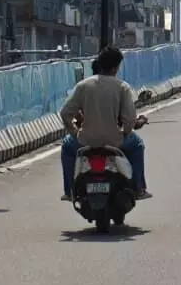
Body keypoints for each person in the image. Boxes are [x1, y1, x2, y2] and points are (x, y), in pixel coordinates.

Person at [59, 46, 151, 202]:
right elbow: (129, 119)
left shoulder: (83, 86)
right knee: (137, 145)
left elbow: (65, 113)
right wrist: (126, 133)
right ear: (116, 67)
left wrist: (74, 132)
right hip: (115, 141)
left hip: (85, 141)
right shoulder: (122, 87)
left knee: (67, 147)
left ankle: (69, 191)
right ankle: (139, 188)